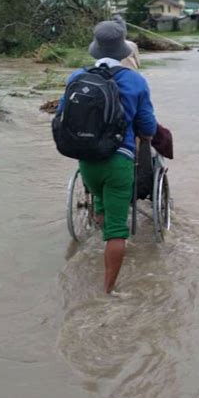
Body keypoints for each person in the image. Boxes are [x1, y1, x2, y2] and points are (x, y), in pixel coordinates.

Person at [57, 19, 157, 294]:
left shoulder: (76, 77)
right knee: (117, 231)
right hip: (119, 161)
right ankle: (108, 291)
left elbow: (62, 116)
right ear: (123, 49)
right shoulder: (135, 80)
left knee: (100, 201)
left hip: (87, 161)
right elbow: (147, 126)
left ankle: (98, 239)